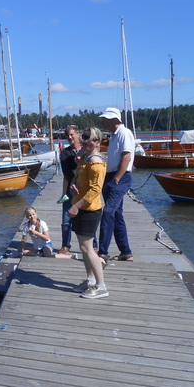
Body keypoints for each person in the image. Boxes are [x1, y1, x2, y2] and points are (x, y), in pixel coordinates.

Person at [67, 126, 108, 298]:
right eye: (84, 137)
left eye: (90, 138)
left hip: (89, 209)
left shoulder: (96, 163)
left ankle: (101, 286)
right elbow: (78, 177)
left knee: (87, 247)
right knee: (84, 248)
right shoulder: (85, 158)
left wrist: (76, 206)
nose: (85, 141)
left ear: (97, 141)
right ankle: (90, 280)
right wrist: (72, 186)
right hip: (81, 207)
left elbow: (95, 190)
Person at [97, 107, 135, 262]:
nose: (103, 121)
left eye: (105, 119)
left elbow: (126, 156)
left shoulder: (124, 133)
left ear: (114, 119)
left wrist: (117, 178)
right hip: (112, 175)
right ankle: (126, 252)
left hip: (120, 176)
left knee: (108, 212)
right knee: (117, 214)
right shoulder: (114, 136)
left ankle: (102, 252)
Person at [58, 125, 83, 255]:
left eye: (72, 134)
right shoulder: (64, 154)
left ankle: (93, 245)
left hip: (85, 190)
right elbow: (67, 173)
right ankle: (65, 245)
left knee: (85, 217)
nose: (70, 137)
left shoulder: (86, 150)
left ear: (78, 134)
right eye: (68, 135)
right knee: (66, 219)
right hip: (70, 189)